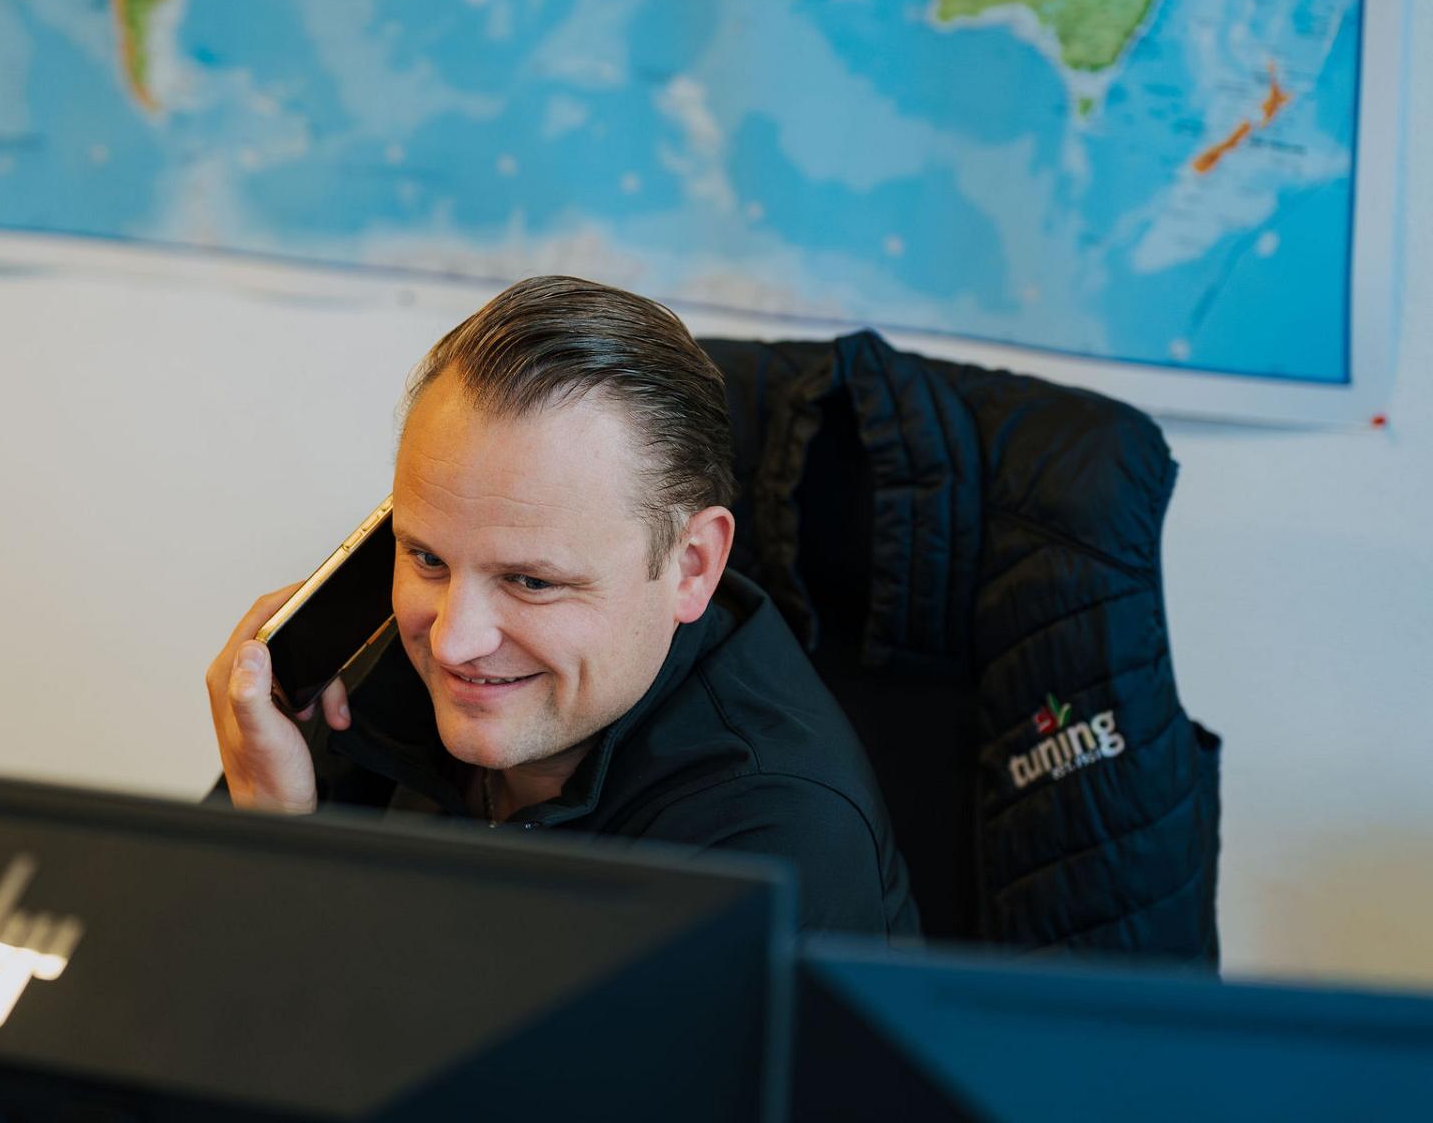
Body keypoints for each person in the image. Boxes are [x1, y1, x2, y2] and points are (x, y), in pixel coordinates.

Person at [205, 276, 917, 939]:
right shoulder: (349, 676)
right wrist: (255, 829)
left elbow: (438, 1070)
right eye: (427, 557)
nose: (453, 642)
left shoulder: (774, 840)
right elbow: (124, 1015)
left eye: (531, 583)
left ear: (692, 566)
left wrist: (278, 854)